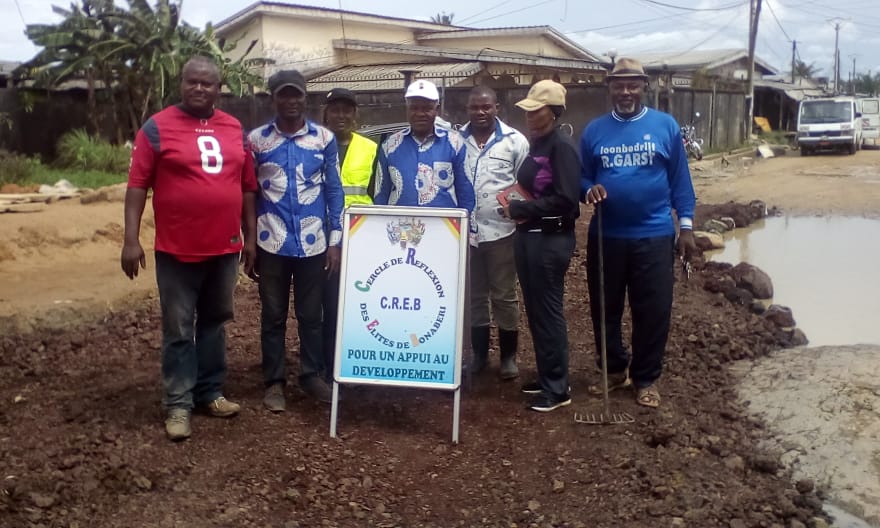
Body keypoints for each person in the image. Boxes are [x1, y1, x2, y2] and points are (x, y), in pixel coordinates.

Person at [121, 56, 257, 441]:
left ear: (219, 88)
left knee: (215, 323)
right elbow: (136, 187)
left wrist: (250, 238)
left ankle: (210, 392)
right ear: (181, 84)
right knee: (179, 329)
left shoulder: (234, 129)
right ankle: (177, 404)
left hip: (224, 248)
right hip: (176, 249)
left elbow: (247, 186)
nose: (199, 88)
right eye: (192, 82)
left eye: (208, 83)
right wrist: (130, 239)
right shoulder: (157, 127)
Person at [579, 58, 698, 409]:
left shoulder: (665, 126)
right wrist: (589, 189)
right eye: (619, 85)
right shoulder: (594, 131)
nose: (626, 91)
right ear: (610, 88)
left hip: (655, 234)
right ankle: (614, 370)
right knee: (606, 308)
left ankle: (646, 378)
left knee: (654, 310)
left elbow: (680, 180)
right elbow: (583, 176)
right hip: (607, 236)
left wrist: (686, 226)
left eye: (633, 84)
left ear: (644, 86)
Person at [248, 70, 345, 411]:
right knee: (273, 315)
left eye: (297, 95)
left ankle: (310, 374)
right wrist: (249, 241)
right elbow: (248, 191)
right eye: (283, 95)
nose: (291, 101)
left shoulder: (323, 139)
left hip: (313, 242)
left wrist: (334, 241)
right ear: (272, 99)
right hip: (270, 240)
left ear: (306, 98)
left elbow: (334, 190)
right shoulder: (256, 141)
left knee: (311, 314)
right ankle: (274, 382)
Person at [502, 80, 581, 412]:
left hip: (550, 239)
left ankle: (558, 388)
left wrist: (521, 209)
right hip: (529, 236)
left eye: (538, 110)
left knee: (548, 311)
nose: (530, 116)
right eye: (528, 110)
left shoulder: (561, 147)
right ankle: (549, 376)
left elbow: (567, 200)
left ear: (554, 112)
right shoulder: (538, 144)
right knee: (534, 309)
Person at [459, 85, 529, 379]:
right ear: (468, 109)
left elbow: (527, 183)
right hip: (466, 234)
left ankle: (509, 358)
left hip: (502, 232)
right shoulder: (454, 141)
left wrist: (517, 211)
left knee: (503, 295)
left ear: (497, 107)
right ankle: (479, 357)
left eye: (486, 107)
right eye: (475, 107)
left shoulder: (515, 142)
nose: (480, 113)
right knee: (474, 297)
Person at [320, 87, 377, 382]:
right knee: (328, 305)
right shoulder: (314, 144)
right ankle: (328, 368)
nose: (340, 115)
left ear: (354, 114)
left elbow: (378, 195)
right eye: (335, 110)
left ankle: (356, 362)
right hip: (323, 237)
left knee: (358, 302)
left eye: (347, 110)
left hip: (361, 238)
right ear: (325, 113)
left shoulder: (370, 149)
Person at [373, 79, 475, 213]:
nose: (420, 114)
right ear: (407, 109)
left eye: (426, 108)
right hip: (400, 229)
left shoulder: (455, 143)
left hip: (444, 229)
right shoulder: (390, 145)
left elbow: (466, 193)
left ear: (436, 110)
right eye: (414, 108)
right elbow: (381, 193)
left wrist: (470, 231)